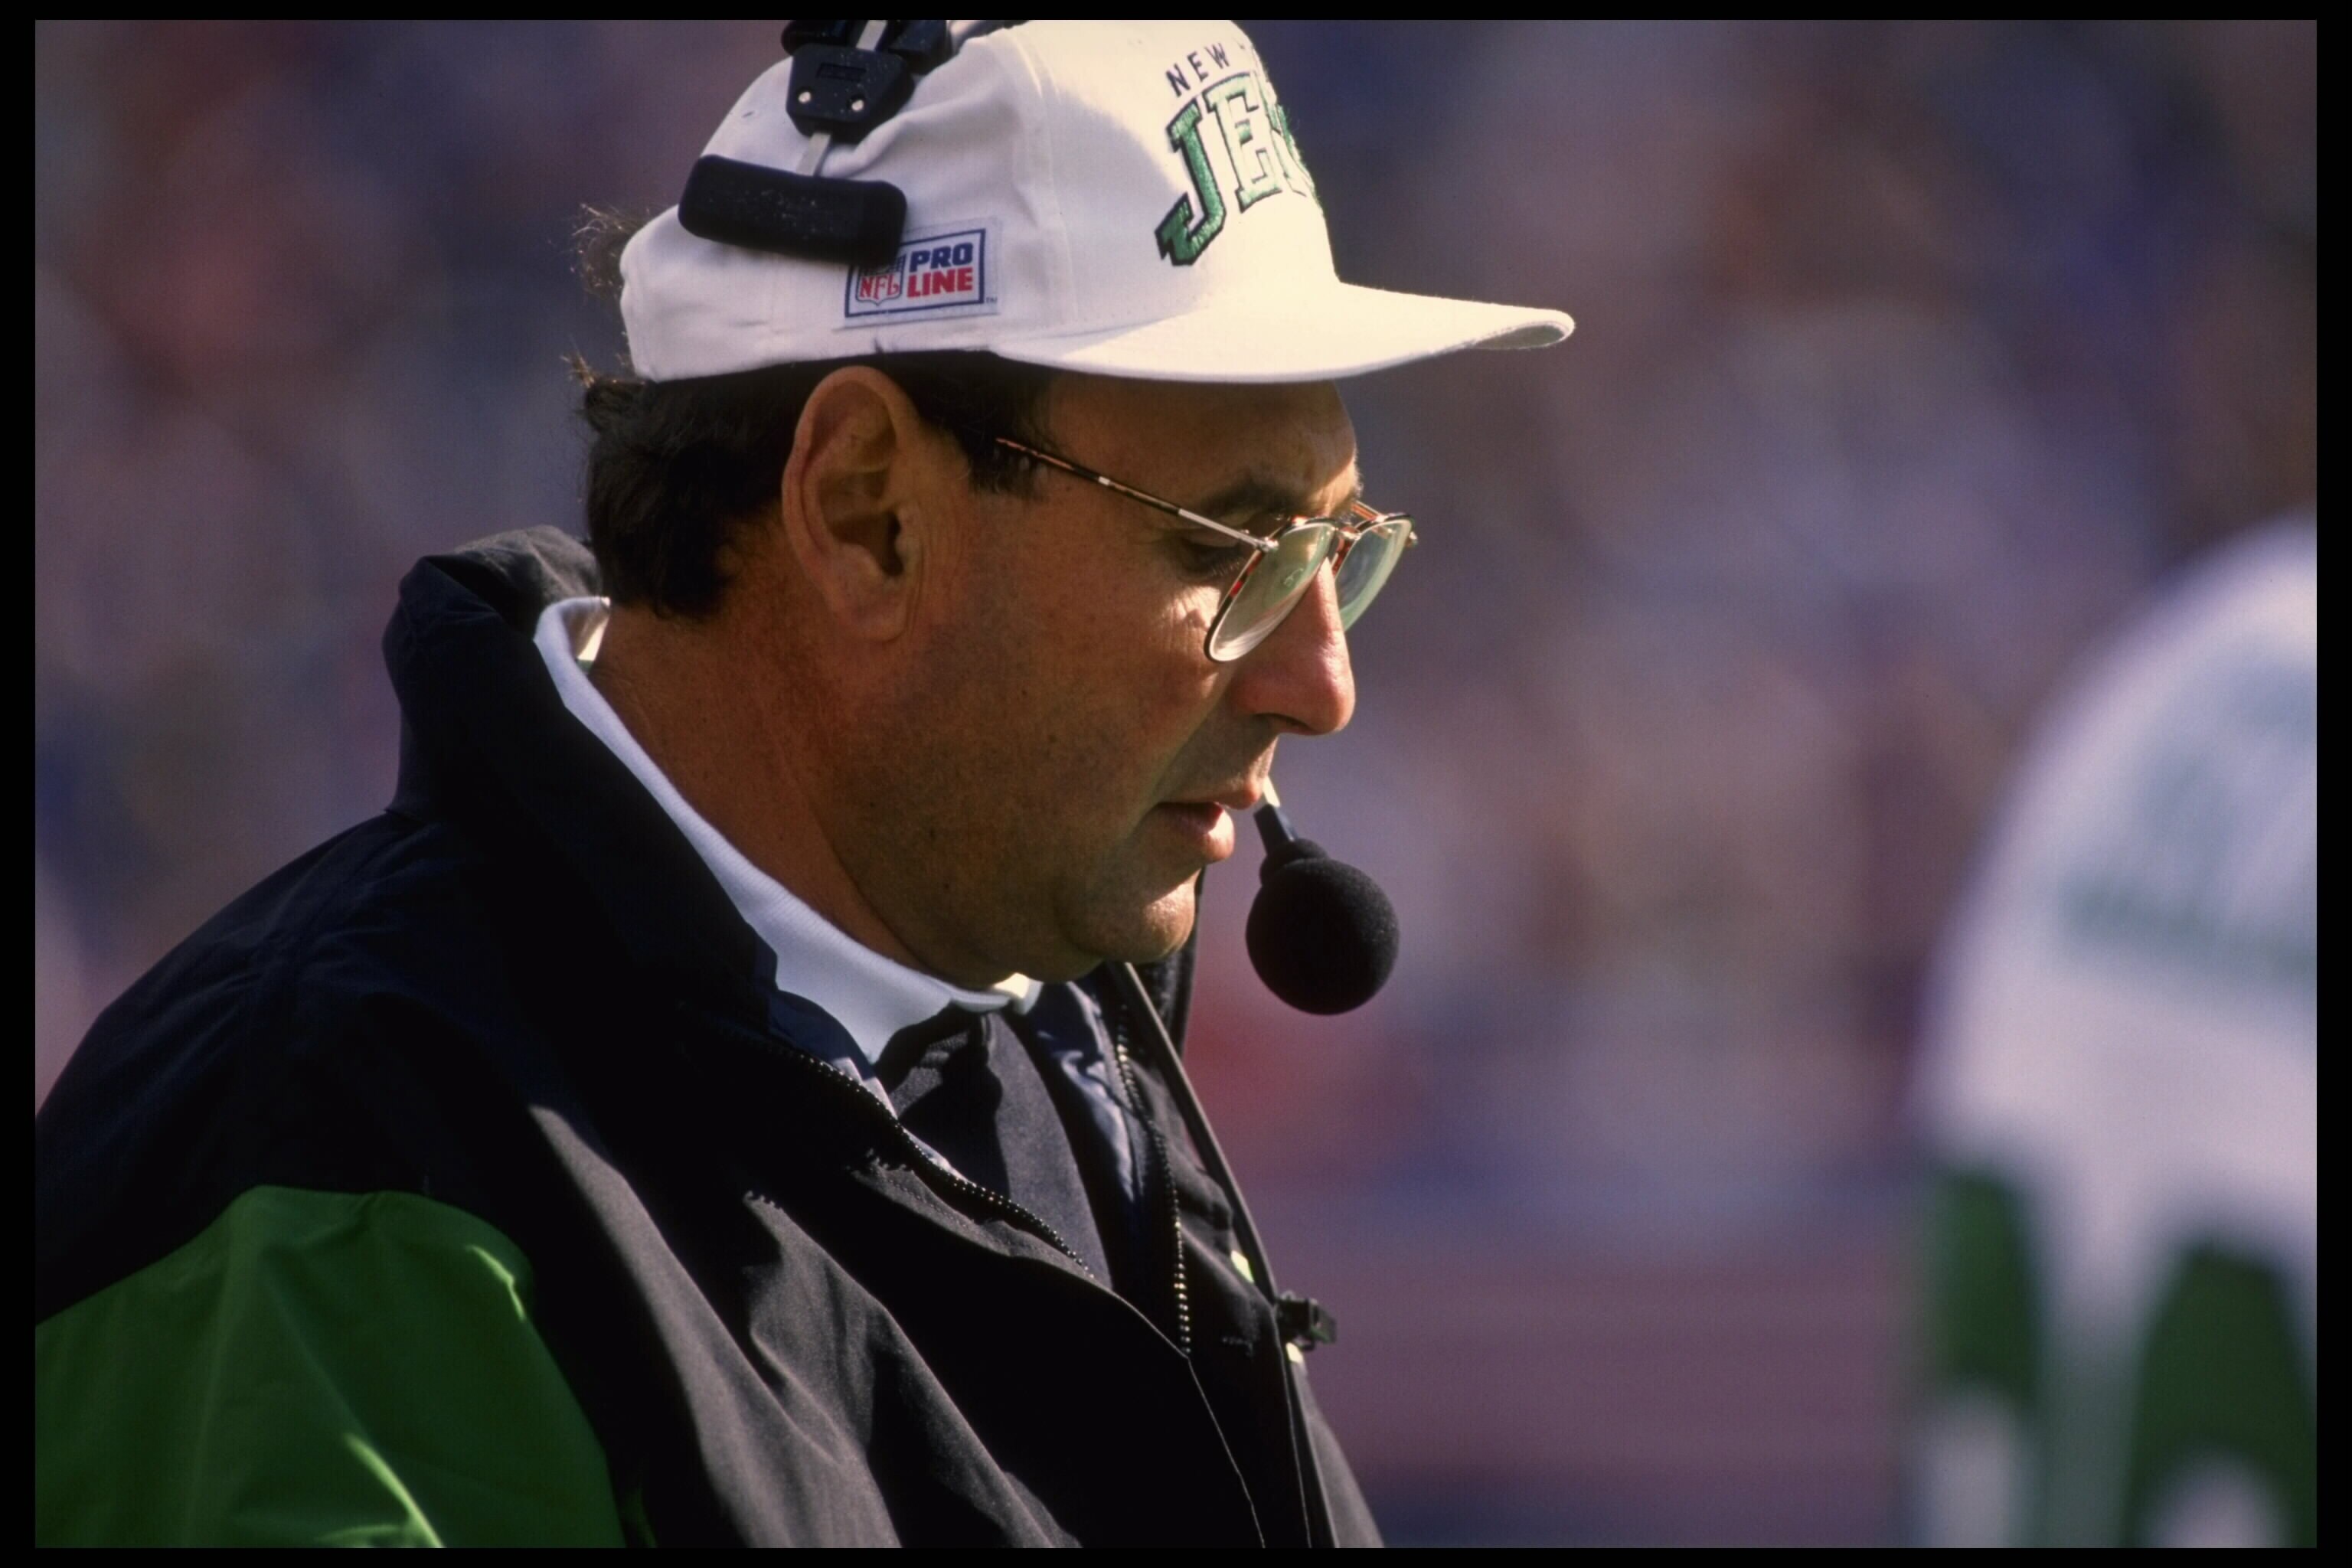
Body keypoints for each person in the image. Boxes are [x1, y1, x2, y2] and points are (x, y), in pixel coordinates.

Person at [34, 21, 1570, 1546]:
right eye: (1234, 552)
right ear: (866, 512)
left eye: (1339, 553)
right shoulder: (329, 1167)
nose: (1325, 681)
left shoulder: (1044, 1016)